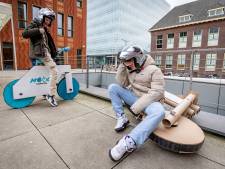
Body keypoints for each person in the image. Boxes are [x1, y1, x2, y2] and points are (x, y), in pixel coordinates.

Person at [108, 45, 165, 161]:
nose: (126, 64)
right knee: (113, 87)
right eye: (124, 61)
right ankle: (121, 118)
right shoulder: (129, 68)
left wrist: (137, 107)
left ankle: (130, 141)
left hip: (150, 101)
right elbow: (121, 83)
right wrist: (122, 65)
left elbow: (158, 92)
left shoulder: (154, 70)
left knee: (160, 112)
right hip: (134, 97)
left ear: (138, 58)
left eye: (128, 60)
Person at [22, 8, 58, 107]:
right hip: (41, 53)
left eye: (50, 20)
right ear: (42, 17)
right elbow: (24, 33)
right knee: (54, 70)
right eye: (47, 19)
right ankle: (51, 95)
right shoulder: (36, 24)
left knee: (44, 73)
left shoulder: (44, 28)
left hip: (44, 53)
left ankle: (45, 91)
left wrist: (54, 52)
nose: (48, 21)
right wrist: (38, 30)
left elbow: (48, 44)